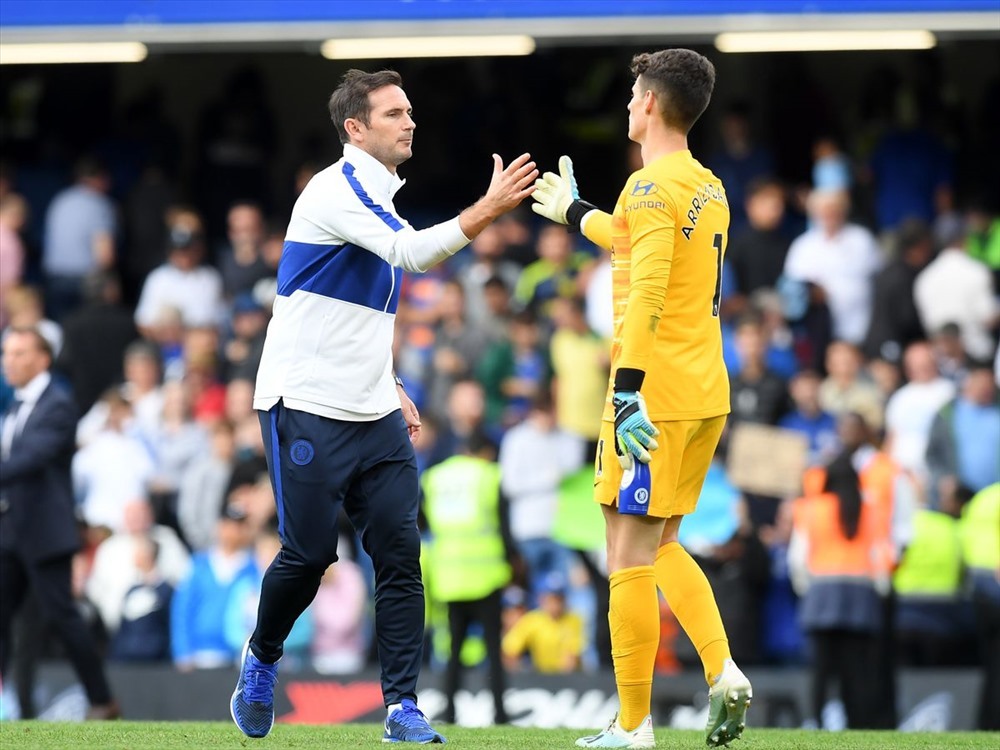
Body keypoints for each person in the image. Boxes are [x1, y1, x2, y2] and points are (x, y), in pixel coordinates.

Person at [231, 68, 537, 743]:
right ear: (356, 129)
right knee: (308, 556)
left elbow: (360, 315)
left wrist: (390, 379)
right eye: (395, 113)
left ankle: (402, 706)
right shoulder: (335, 190)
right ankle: (261, 658)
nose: (410, 122)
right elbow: (410, 252)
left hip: (372, 410)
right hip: (305, 402)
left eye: (410, 112)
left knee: (400, 553)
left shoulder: (379, 196)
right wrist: (486, 209)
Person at [530, 49, 751, 749]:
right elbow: (640, 247)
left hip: (649, 398)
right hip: (704, 390)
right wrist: (576, 212)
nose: (627, 103)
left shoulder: (651, 188)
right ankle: (723, 672)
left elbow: (647, 296)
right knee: (661, 547)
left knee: (625, 555)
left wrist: (624, 396)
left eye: (632, 93)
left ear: (651, 103)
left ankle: (633, 727)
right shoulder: (706, 187)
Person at [0, 326, 119, 719]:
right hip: (10, 531)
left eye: (19, 353)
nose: (9, 361)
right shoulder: (16, 406)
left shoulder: (58, 404)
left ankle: (102, 701)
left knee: (63, 619)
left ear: (43, 358)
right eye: (7, 353)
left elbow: (31, 459)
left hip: (45, 533)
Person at [421, 431, 514, 725]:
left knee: (453, 651)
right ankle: (499, 713)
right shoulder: (489, 475)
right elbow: (504, 525)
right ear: (486, 451)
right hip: (485, 575)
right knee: (493, 651)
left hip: (450, 576)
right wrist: (512, 562)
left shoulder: (436, 477)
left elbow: (423, 522)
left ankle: (449, 713)